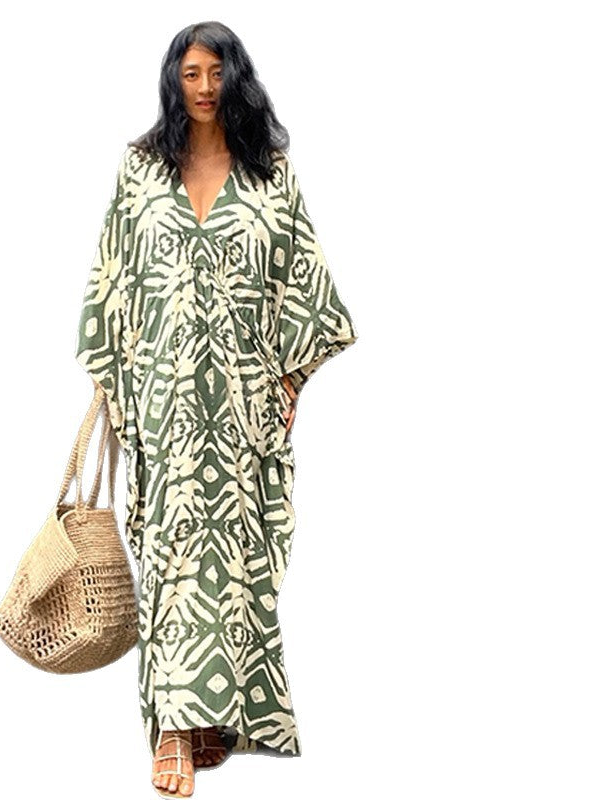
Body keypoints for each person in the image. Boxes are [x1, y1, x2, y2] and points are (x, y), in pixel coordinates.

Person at [75, 20, 358, 798]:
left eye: (216, 72)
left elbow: (305, 280)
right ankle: (171, 732)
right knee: (172, 558)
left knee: (234, 563)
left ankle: (213, 716)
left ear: (237, 76)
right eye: (190, 73)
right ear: (174, 80)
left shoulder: (271, 173)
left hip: (241, 403)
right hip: (161, 400)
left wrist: (290, 383)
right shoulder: (141, 170)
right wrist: (112, 380)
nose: (204, 87)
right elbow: (112, 279)